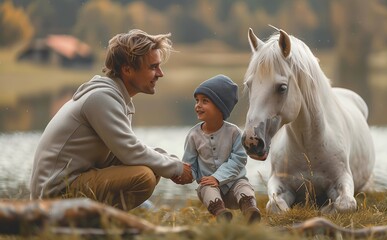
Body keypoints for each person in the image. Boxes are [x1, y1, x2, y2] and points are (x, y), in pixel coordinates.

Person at [29, 29, 192, 210]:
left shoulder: (115, 97)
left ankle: (101, 222)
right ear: (127, 70)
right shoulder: (102, 98)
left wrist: (172, 161)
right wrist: (175, 168)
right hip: (55, 194)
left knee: (153, 168)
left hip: (72, 182)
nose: (160, 73)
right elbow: (131, 152)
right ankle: (91, 224)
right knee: (143, 177)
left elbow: (125, 152)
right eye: (153, 67)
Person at [177, 74, 261, 224]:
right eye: (197, 100)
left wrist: (218, 178)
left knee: (243, 185)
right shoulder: (193, 135)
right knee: (206, 187)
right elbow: (190, 164)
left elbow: (239, 159)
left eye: (205, 101)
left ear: (221, 107)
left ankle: (250, 210)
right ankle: (221, 214)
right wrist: (185, 174)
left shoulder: (234, 133)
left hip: (233, 184)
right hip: (211, 188)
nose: (198, 105)